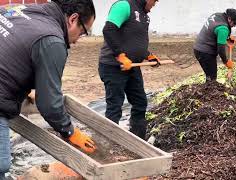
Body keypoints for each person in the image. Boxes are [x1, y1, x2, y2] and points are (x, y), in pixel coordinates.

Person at [0, 0, 96, 178]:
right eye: (82, 32)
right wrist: (70, 132)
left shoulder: (21, 10)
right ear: (73, 19)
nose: (77, 40)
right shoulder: (52, 40)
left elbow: (11, 49)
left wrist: (24, 85)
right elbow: (50, 104)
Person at [99, 0, 160, 140]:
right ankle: (110, 143)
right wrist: (120, 55)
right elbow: (108, 29)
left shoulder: (144, 14)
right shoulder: (124, 6)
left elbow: (135, 40)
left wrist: (147, 55)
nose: (155, 4)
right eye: (155, 1)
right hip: (114, 66)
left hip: (133, 67)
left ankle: (137, 140)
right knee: (115, 106)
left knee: (140, 102)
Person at [193, 8, 236, 82]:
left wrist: (227, 38)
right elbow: (221, 49)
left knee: (210, 75)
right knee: (212, 78)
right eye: (234, 23)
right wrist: (226, 62)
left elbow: (214, 31)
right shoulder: (223, 29)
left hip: (198, 47)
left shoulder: (217, 15)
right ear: (229, 18)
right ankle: (208, 92)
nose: (234, 26)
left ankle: (207, 89)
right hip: (205, 53)